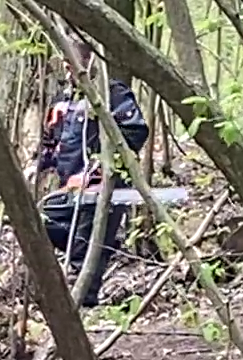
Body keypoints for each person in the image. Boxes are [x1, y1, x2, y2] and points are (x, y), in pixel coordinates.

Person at [25, 35, 150, 308]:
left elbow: (135, 131)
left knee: (87, 239)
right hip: (68, 187)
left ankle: (84, 302)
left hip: (104, 187)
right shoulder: (63, 101)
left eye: (75, 61)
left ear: (89, 60)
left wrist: (97, 170)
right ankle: (96, 256)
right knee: (39, 220)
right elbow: (51, 141)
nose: (69, 68)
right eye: (66, 62)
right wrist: (37, 165)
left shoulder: (112, 94)